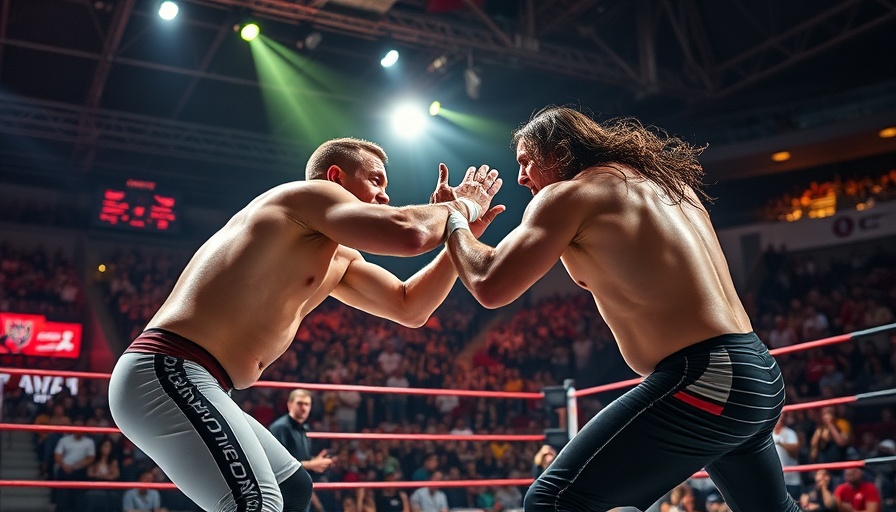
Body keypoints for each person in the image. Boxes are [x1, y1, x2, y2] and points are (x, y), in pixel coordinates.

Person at [109, 137, 503, 512]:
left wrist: (456, 236)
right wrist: (461, 207)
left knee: (291, 487)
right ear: (335, 178)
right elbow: (411, 231)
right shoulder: (306, 197)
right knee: (257, 502)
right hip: (168, 369)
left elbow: (410, 307)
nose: (385, 195)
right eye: (375, 180)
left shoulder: (340, 256)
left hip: (198, 379)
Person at [443, 106, 800, 511]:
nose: (522, 177)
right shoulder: (667, 185)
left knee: (554, 501)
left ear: (558, 152)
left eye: (526, 161)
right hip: (755, 371)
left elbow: (490, 284)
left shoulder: (571, 195)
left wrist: (453, 218)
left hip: (708, 377)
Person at [269, 389, 333, 512]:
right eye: (299, 403)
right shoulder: (280, 428)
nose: (303, 408)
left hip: (300, 492)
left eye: (307, 404)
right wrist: (311, 464)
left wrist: (315, 462)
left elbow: (298, 457)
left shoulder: (303, 428)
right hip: (285, 492)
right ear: (290, 404)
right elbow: (278, 464)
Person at [773, 413, 803, 500]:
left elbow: (795, 452)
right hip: (775, 480)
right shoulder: (768, 434)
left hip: (791, 480)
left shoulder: (789, 433)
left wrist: (780, 442)